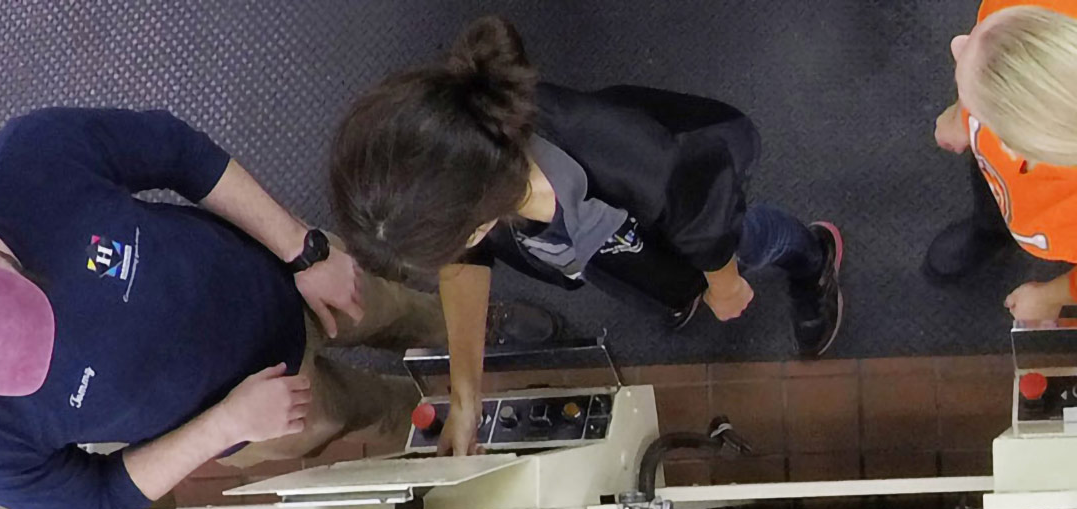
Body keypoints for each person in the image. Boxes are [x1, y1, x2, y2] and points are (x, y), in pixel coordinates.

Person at [0, 107, 449, 509]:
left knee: (410, 310)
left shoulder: (26, 160)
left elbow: (178, 153)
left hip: (279, 277)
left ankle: (480, 330)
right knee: (382, 414)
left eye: (12, 297)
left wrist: (302, 250)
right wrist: (227, 425)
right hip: (260, 413)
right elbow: (93, 502)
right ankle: (443, 414)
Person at [329, 16, 844, 456]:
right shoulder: (466, 169)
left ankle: (811, 256)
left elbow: (705, 211)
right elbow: (467, 258)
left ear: (482, 216)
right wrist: (466, 400)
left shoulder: (622, 153)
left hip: (696, 199)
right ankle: (681, 290)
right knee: (661, 284)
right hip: (612, 246)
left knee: (748, 242)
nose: (451, 256)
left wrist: (726, 283)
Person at [927, 0, 1077, 320]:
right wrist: (961, 114)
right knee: (988, 188)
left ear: (1015, 147)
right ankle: (990, 231)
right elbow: (986, 49)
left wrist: (1053, 295)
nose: (960, 43)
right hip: (1007, 178)